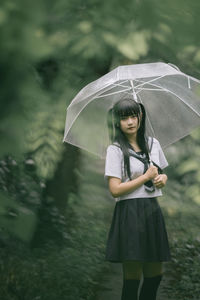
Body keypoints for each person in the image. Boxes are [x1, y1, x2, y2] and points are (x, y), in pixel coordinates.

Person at [104, 98, 171, 300]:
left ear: (140, 117)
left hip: (152, 210)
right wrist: (145, 177)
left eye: (134, 116)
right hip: (130, 213)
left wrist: (162, 179)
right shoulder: (115, 150)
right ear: (117, 122)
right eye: (124, 118)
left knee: (155, 275)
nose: (130, 122)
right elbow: (115, 190)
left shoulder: (153, 144)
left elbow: (161, 173)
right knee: (132, 277)